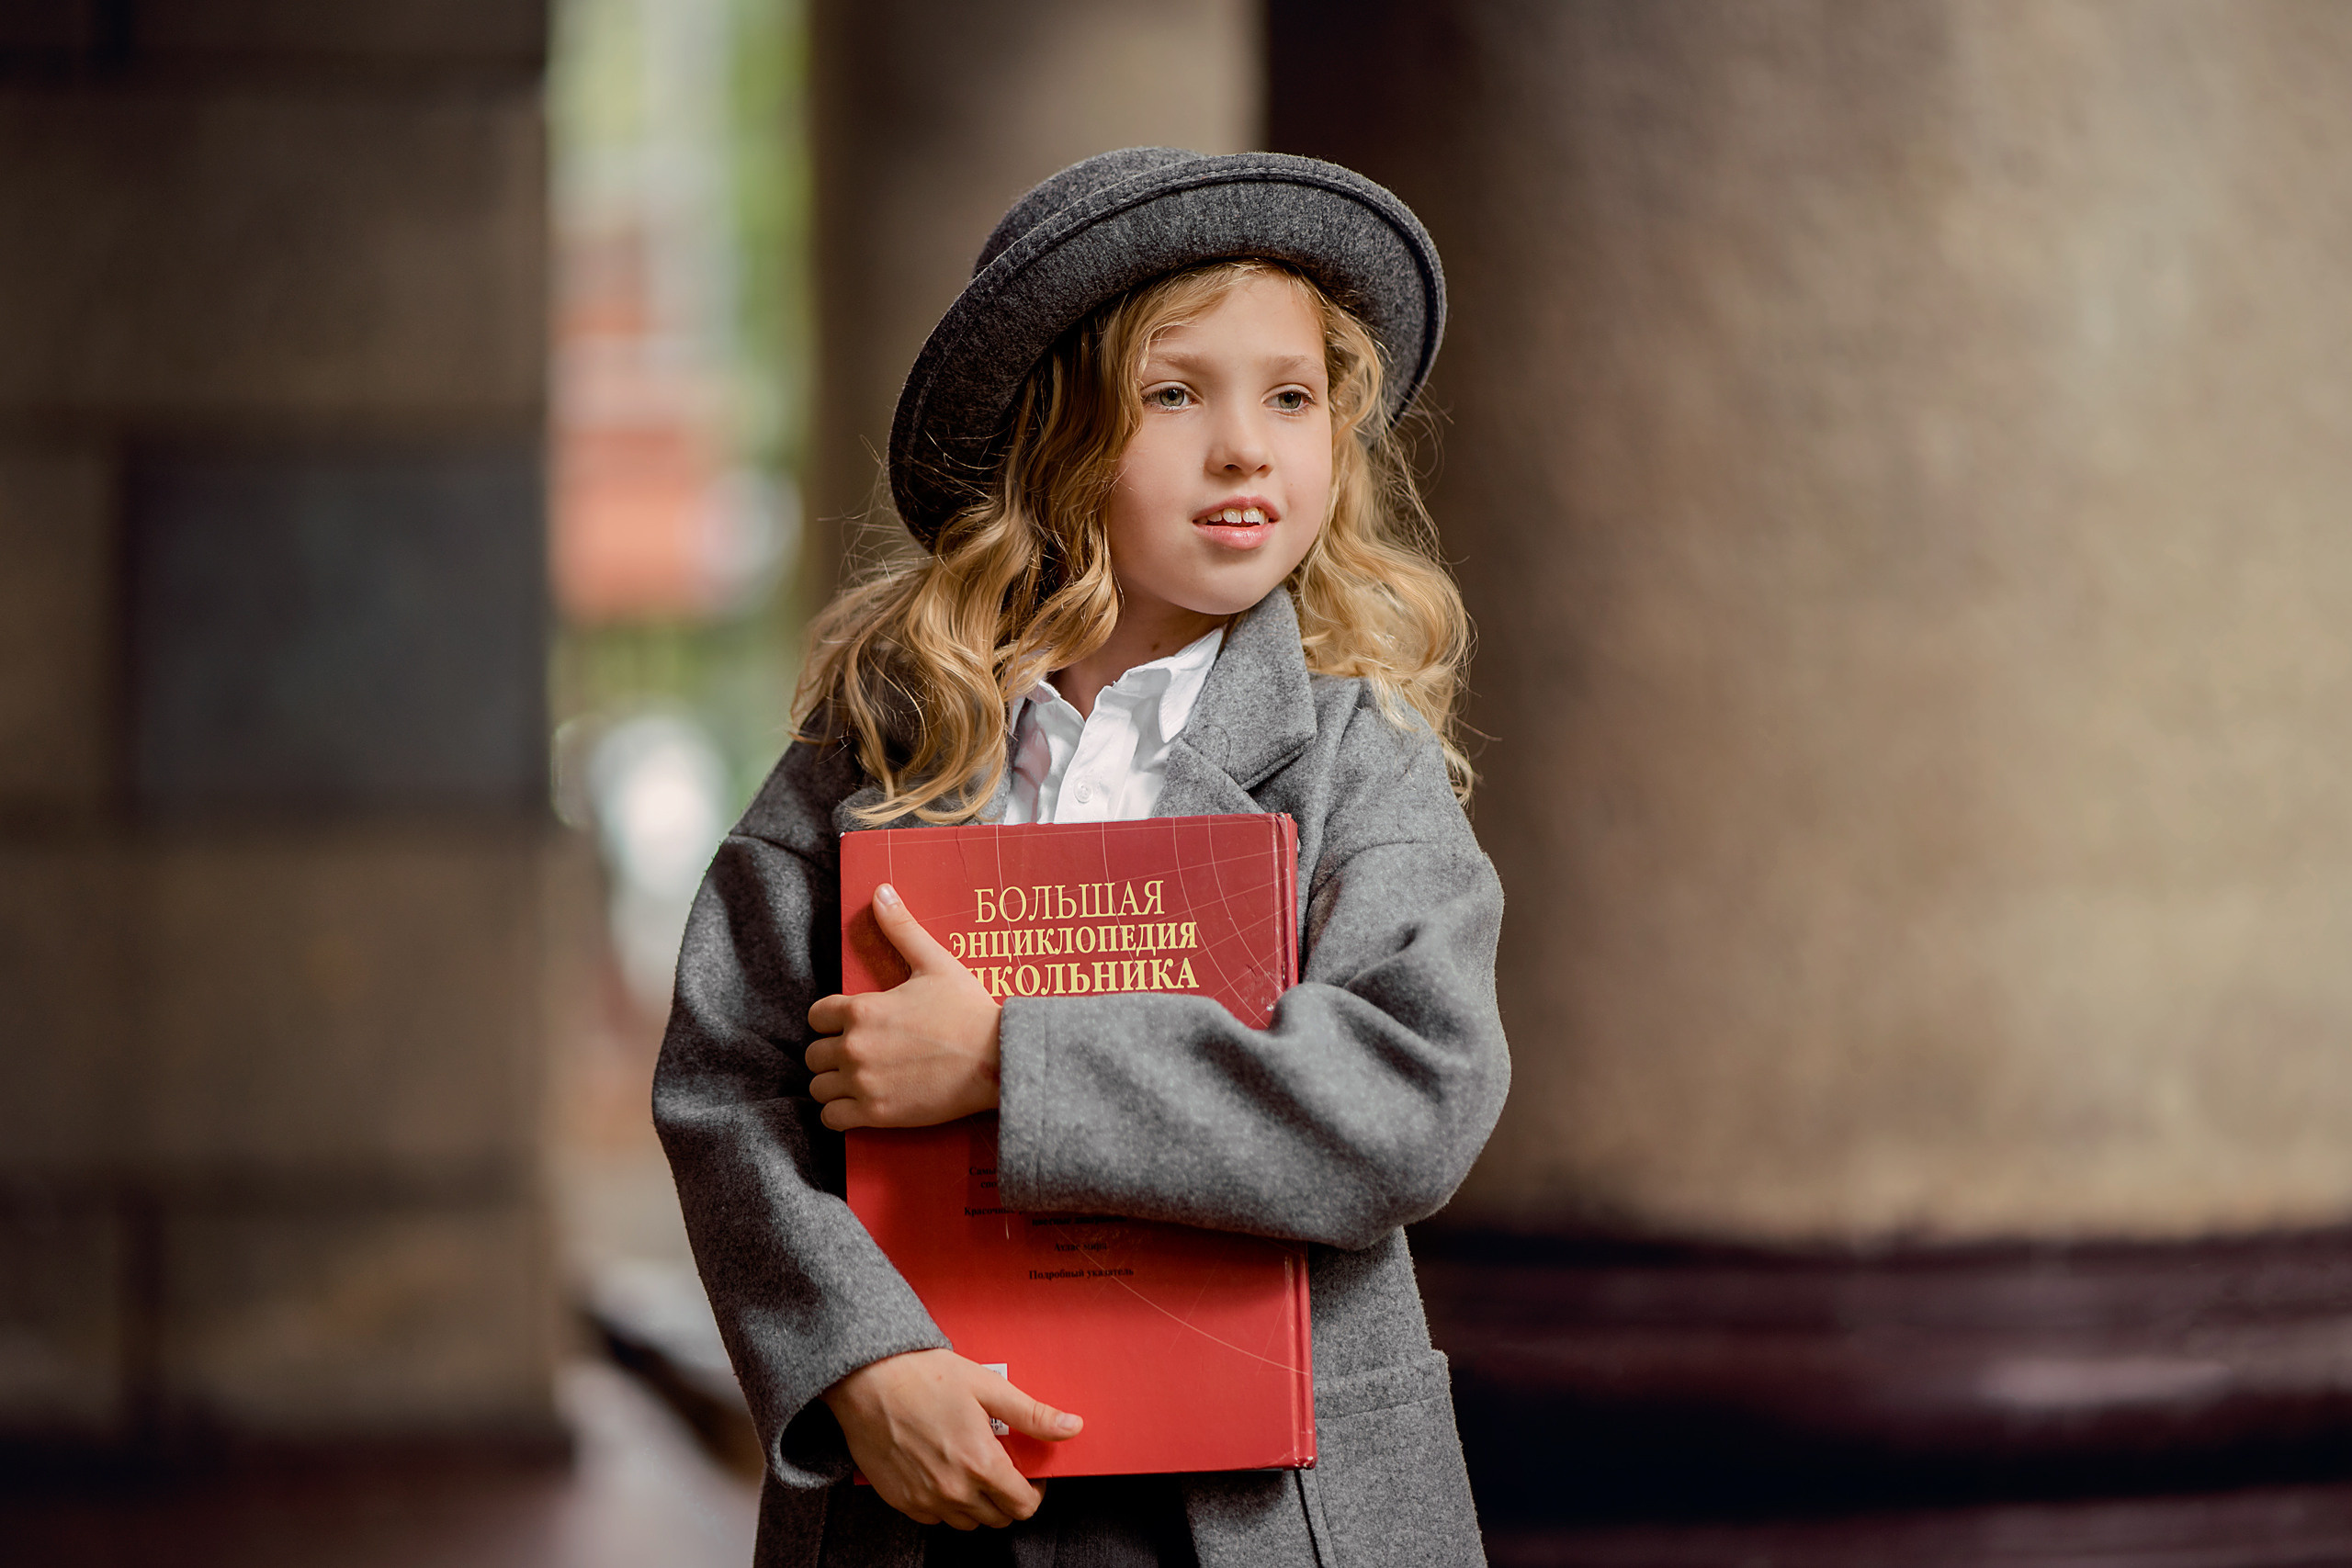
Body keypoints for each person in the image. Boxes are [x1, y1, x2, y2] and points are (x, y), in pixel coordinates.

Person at [656, 148, 1510, 1568]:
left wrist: (1009, 1062)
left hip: (1269, 1519)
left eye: (1292, 398)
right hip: (933, 1504)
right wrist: (857, 1366)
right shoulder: (883, 750)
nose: (1247, 447)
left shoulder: (1361, 761)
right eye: (1177, 394)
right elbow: (725, 1084)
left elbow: (1417, 1091)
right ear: (1048, 433)